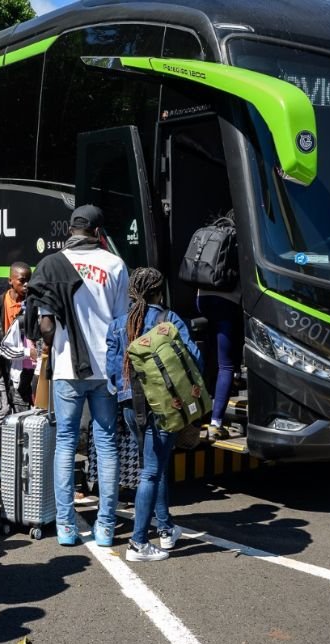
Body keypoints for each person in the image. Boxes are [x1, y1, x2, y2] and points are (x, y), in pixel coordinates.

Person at [26, 205, 129, 547]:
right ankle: (105, 526)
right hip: (106, 369)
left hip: (67, 369)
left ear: (71, 230)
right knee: (106, 445)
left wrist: (56, 346)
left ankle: (67, 527)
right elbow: (121, 324)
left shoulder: (50, 265)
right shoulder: (115, 265)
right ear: (99, 232)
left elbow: (45, 324)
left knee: (66, 444)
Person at [105, 267, 202, 562]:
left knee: (153, 465)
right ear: (159, 292)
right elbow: (194, 357)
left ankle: (165, 528)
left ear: (132, 293)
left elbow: (111, 372)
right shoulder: (168, 320)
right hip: (163, 405)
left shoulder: (119, 324)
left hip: (129, 405)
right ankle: (138, 543)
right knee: (151, 470)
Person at [196, 213, 242, 441]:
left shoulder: (213, 233)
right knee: (226, 365)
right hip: (227, 303)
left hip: (202, 299)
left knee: (211, 359)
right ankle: (216, 423)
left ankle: (201, 414)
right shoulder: (238, 239)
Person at [0, 261, 36, 424]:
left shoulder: (32, 305)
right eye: (22, 280)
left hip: (24, 370)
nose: (26, 285)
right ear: (10, 280)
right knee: (2, 410)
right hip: (0, 367)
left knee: (23, 412)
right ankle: (0, 446)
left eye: (29, 280)